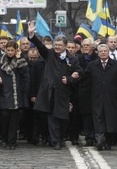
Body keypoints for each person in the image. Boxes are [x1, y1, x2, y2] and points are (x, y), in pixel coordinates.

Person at [27, 21, 81, 150]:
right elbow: (40, 46)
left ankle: (60, 138)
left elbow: (79, 73)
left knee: (62, 118)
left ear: (65, 46)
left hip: (64, 93)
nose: (56, 47)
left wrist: (69, 79)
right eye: (55, 45)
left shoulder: (72, 59)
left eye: (59, 45)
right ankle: (55, 140)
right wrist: (31, 34)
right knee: (51, 118)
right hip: (50, 92)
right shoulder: (49, 54)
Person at [84, 44, 117, 151]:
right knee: (98, 117)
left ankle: (109, 141)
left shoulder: (116, 65)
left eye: (105, 51)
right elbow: (85, 80)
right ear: (97, 53)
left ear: (108, 52)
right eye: (101, 51)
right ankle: (99, 140)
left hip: (111, 96)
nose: (103, 53)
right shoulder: (92, 65)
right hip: (96, 96)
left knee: (110, 119)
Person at [0, 40, 29, 149]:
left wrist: (19, 60)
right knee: (4, 117)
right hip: (3, 92)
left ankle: (12, 141)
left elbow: (26, 75)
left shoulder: (20, 61)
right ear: (4, 50)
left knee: (14, 119)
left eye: (12, 50)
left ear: (16, 50)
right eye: (8, 50)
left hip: (16, 93)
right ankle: (4, 138)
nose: (10, 52)